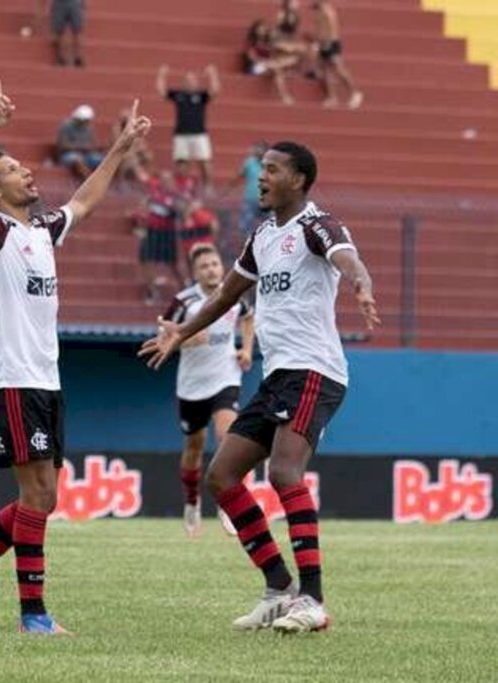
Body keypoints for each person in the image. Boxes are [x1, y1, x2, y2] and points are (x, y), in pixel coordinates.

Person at [0, 80, 150, 635]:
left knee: (44, 497)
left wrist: (120, 150)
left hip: (44, 377)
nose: (28, 174)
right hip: (11, 376)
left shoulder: (42, 230)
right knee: (37, 496)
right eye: (14, 171)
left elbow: (85, 200)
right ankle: (33, 615)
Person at [139, 141, 380, 633]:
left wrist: (361, 283)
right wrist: (181, 331)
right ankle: (277, 587)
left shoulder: (317, 225)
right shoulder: (262, 237)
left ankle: (312, 599)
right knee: (221, 477)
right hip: (277, 377)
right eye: (262, 169)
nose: (261, 177)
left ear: (299, 179)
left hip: (315, 370)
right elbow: (228, 293)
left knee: (285, 475)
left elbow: (348, 258)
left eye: (272, 169)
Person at [164, 244, 254, 537]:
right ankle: (192, 503)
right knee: (194, 449)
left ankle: (228, 505)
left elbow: (248, 316)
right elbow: (164, 337)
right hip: (192, 385)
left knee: (228, 437)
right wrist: (188, 339)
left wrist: (247, 350)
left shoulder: (233, 292)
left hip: (225, 377)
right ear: (195, 273)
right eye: (204, 266)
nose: (212, 269)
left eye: (215, 264)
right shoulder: (183, 302)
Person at [156, 65, 219, 189]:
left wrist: (213, 75)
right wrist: (161, 74)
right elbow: (162, 91)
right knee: (181, 163)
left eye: (192, 80)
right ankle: (183, 186)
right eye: (187, 80)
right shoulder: (179, 95)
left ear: (196, 82)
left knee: (204, 161)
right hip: (181, 133)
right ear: (184, 82)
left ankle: (208, 186)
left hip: (199, 133)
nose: (189, 82)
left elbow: (214, 91)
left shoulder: (201, 96)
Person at [132, 170, 181, 305]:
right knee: (145, 259)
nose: (166, 183)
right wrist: (141, 217)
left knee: (173, 264)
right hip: (151, 232)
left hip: (166, 234)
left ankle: (183, 288)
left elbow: (180, 211)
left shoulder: (175, 196)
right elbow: (143, 207)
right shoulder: (153, 194)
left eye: (168, 180)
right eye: (163, 180)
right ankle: (152, 291)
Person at [312, 1, 363, 109]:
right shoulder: (318, 11)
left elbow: (332, 29)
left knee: (339, 68)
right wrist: (318, 43)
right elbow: (319, 29)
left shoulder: (327, 11)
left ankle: (355, 92)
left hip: (330, 43)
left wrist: (327, 43)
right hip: (323, 43)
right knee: (326, 70)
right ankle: (332, 97)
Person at [56, 104, 103, 181]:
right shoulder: (66, 126)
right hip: (68, 154)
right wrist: (80, 147)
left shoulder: (89, 128)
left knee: (99, 159)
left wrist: (90, 148)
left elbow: (92, 144)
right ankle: (89, 181)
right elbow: (63, 145)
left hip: (87, 154)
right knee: (78, 159)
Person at [228, 142, 267, 237]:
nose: (258, 151)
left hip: (266, 200)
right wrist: (230, 187)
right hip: (250, 200)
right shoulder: (249, 162)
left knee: (270, 224)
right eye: (257, 149)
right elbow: (239, 175)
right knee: (244, 226)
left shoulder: (268, 164)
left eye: (261, 149)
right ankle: (246, 244)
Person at [113, 106, 152, 185]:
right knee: (130, 158)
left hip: (132, 154)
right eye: (125, 120)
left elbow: (141, 144)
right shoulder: (116, 130)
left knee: (148, 156)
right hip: (120, 154)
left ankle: (146, 174)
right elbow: (118, 145)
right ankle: (138, 176)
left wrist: (142, 150)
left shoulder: (133, 129)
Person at [50, 0, 84, 67]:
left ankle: (77, 57)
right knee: (60, 31)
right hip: (59, 3)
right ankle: (61, 57)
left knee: (77, 30)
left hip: (74, 3)